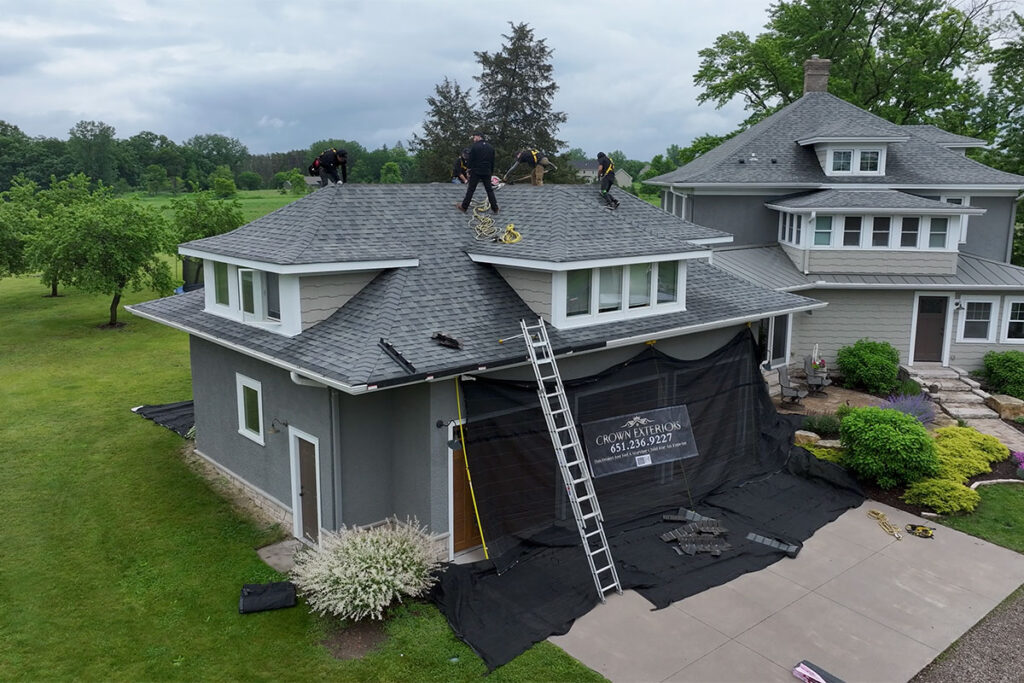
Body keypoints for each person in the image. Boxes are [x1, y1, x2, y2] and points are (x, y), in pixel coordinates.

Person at [456, 132, 499, 214]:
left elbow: (471, 160)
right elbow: (492, 161)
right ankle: (495, 208)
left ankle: (464, 207)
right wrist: (491, 171)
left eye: (474, 137)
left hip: (476, 171)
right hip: (487, 171)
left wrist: (468, 170)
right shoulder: (490, 147)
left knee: (471, 189)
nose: (473, 139)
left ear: (479, 137)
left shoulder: (475, 147)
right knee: (489, 190)